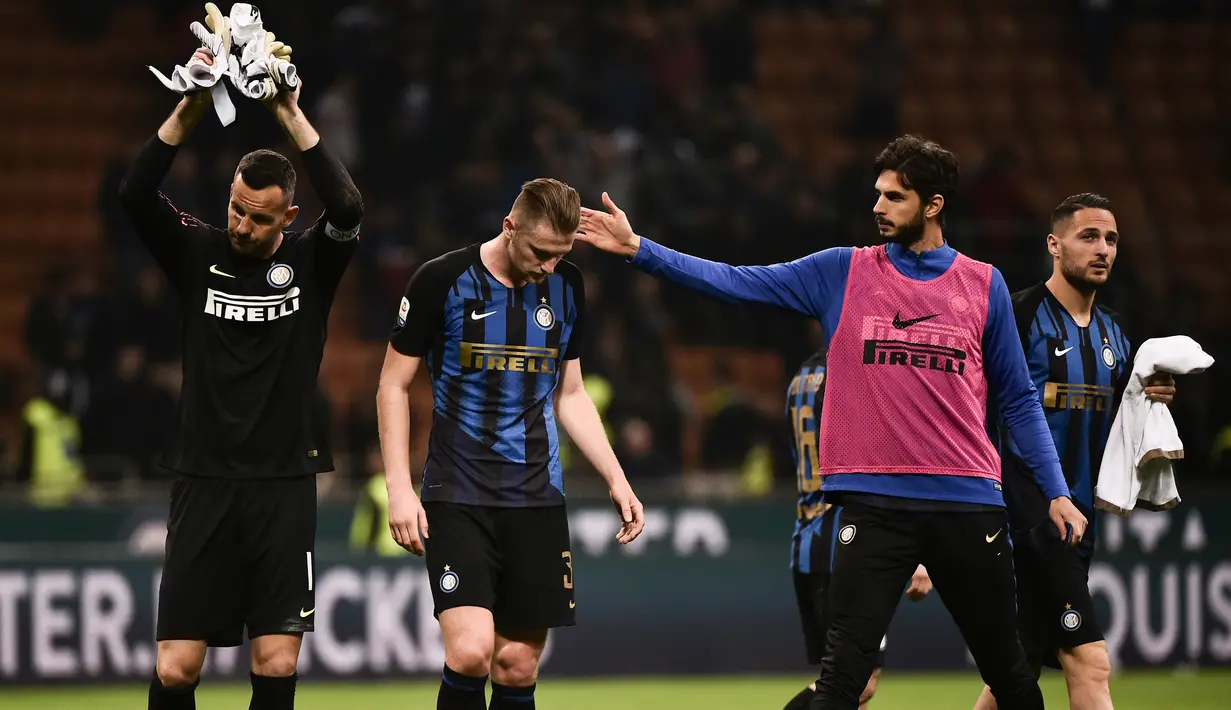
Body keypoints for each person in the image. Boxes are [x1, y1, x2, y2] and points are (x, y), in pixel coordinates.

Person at [577, 134, 1089, 710]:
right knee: (843, 681)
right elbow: (735, 282)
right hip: (873, 508)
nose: (878, 206)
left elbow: (1019, 400)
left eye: (895, 197)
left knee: (1012, 681)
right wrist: (640, 249)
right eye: (877, 194)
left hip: (967, 504)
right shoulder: (842, 272)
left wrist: (1055, 491)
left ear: (933, 204)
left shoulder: (982, 284)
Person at [118, 46, 363, 710]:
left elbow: (345, 205)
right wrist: (191, 108)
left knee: (277, 661)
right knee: (176, 670)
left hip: (283, 484)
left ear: (288, 217)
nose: (243, 226)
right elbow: (134, 194)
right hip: (203, 478)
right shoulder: (197, 252)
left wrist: (288, 111)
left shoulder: (313, 265)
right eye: (236, 209)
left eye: (260, 217)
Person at [376, 178, 646, 710]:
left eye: (560, 254)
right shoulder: (441, 280)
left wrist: (617, 478)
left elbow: (570, 392)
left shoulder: (568, 286)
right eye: (541, 252)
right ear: (509, 227)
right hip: (457, 495)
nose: (549, 265)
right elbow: (392, 384)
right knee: (473, 652)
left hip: (537, 498)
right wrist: (398, 488)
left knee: (517, 664)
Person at [973, 193, 1176, 710]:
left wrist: (1153, 398)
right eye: (1088, 236)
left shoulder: (1116, 336)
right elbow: (974, 409)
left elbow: (1126, 422)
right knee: (1089, 660)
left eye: (1110, 239)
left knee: (1014, 674)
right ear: (1054, 245)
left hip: (1078, 523)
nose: (1103, 248)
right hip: (1027, 518)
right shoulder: (1017, 317)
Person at [783, 349, 933, 710]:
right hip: (844, 548)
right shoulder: (855, 370)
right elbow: (873, 467)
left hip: (809, 540)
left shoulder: (801, 377)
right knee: (855, 683)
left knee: (851, 690)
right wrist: (917, 553)